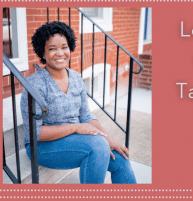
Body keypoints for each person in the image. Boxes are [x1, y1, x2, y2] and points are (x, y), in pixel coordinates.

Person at [20, 21, 136, 184]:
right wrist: (76, 127)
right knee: (97, 146)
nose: (60, 53)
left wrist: (108, 137)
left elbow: (85, 115)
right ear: (43, 53)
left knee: (121, 159)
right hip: (42, 147)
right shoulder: (35, 85)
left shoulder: (75, 77)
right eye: (52, 48)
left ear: (70, 48)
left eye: (64, 47)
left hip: (74, 138)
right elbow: (35, 134)